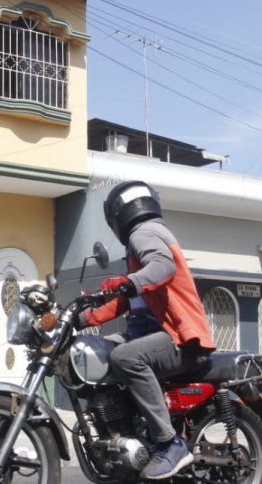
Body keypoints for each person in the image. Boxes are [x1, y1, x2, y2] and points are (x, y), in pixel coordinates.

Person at [76, 181, 216, 480]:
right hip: (161, 337)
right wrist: (83, 318)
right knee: (97, 351)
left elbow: (163, 267)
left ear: (116, 216)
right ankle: (123, 431)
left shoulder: (146, 234)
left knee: (126, 357)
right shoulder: (141, 241)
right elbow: (127, 301)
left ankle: (169, 441)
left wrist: (128, 281)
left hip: (184, 339)